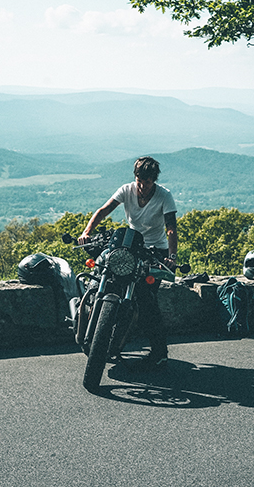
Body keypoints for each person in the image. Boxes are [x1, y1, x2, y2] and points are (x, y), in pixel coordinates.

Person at [78, 156, 178, 369]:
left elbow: (171, 227)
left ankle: (160, 352)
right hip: (130, 244)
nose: (142, 186)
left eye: (147, 182)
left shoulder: (164, 196)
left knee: (147, 301)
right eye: (139, 181)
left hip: (154, 250)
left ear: (154, 180)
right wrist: (87, 232)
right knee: (103, 272)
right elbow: (103, 211)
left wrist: (171, 256)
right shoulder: (126, 190)